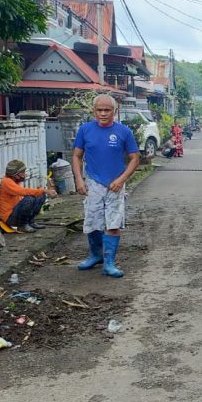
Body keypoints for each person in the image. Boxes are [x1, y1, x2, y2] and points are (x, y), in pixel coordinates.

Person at [72, 94, 141, 278]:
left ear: (114, 111)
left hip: (115, 184)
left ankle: (109, 262)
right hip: (93, 182)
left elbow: (135, 158)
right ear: (94, 111)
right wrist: (79, 179)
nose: (103, 114)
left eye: (107, 110)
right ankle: (96, 255)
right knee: (92, 222)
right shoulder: (85, 130)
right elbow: (77, 156)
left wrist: (122, 179)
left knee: (113, 222)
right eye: (99, 110)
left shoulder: (123, 131)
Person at [0, 160, 56, 233]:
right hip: (9, 217)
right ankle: (22, 226)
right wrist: (44, 190)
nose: (24, 175)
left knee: (40, 195)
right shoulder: (6, 182)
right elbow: (23, 191)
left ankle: (31, 222)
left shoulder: (15, 181)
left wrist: (42, 192)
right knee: (29, 199)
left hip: (15, 213)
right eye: (22, 173)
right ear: (14, 174)